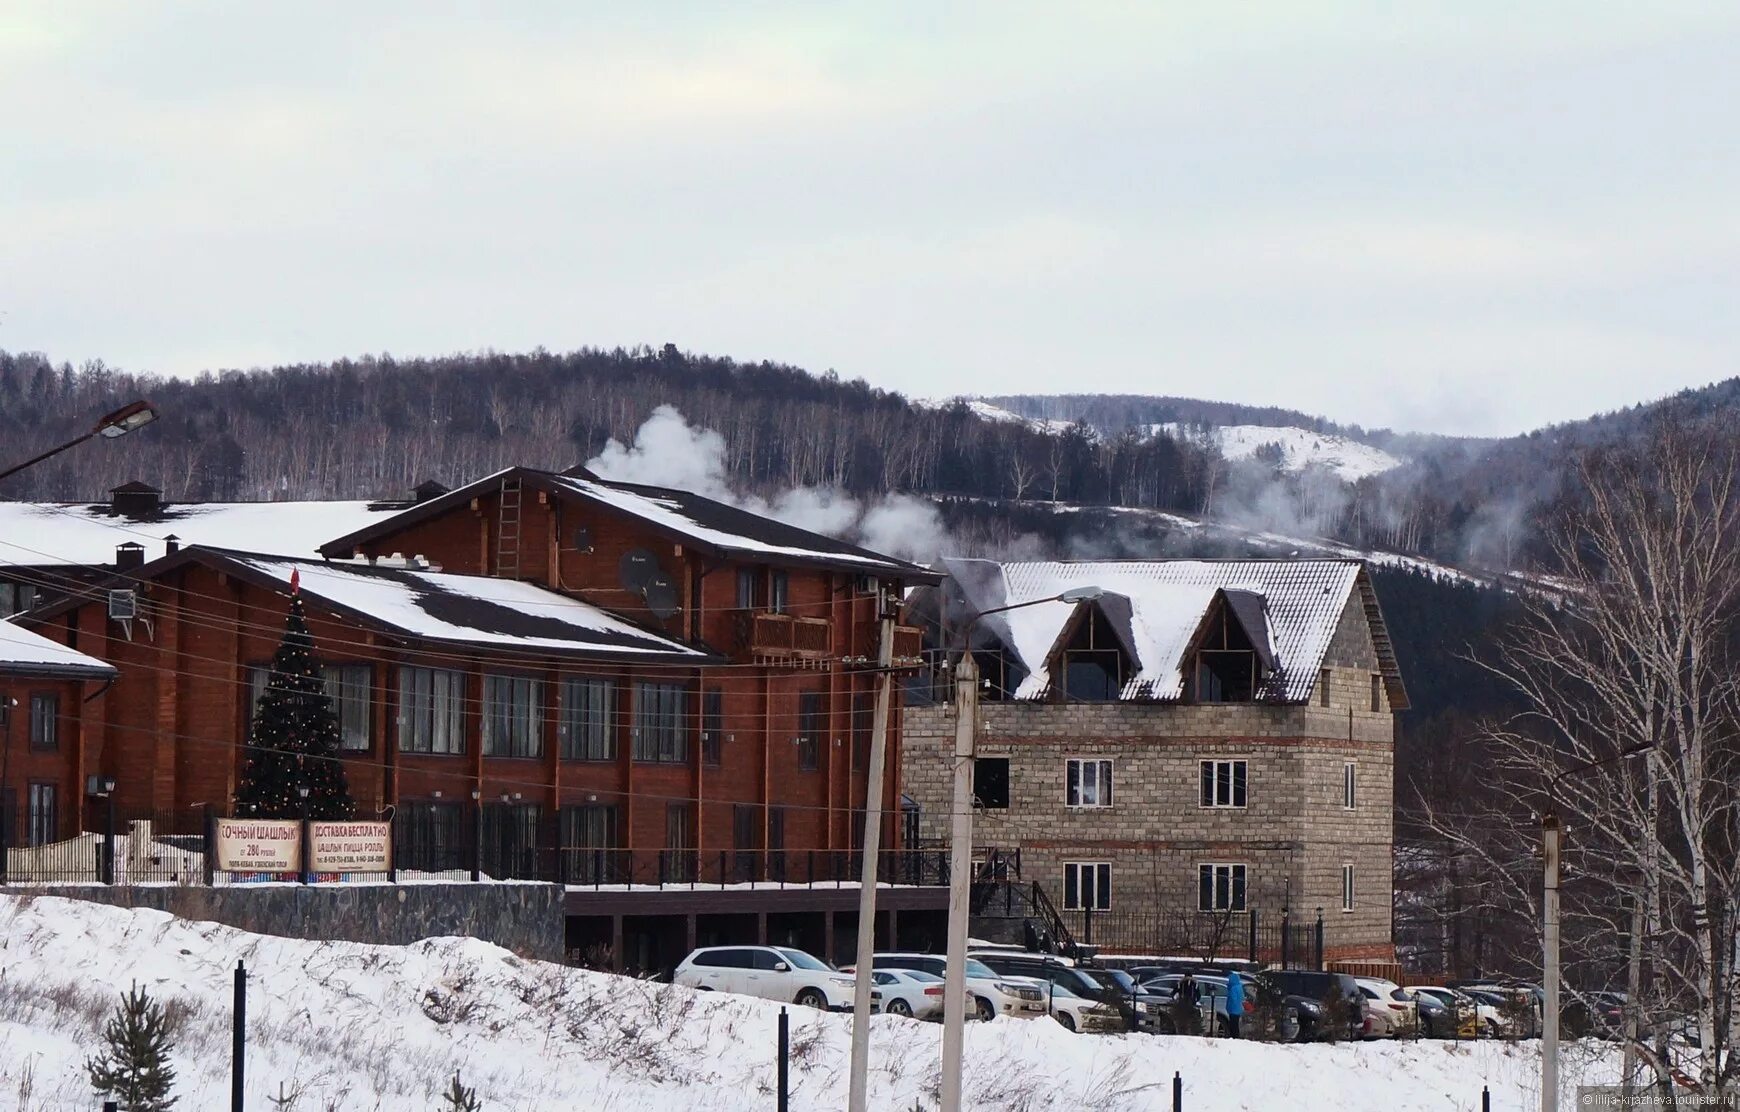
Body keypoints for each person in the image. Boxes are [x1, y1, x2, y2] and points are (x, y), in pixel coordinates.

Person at [1223, 971, 1245, 1038]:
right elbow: (1242, 997)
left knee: (1233, 1024)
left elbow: (1232, 999)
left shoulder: (1233, 988)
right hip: (1238, 1009)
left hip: (1233, 1009)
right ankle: (1236, 1036)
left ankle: (1233, 1037)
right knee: (1236, 1024)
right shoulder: (1240, 987)